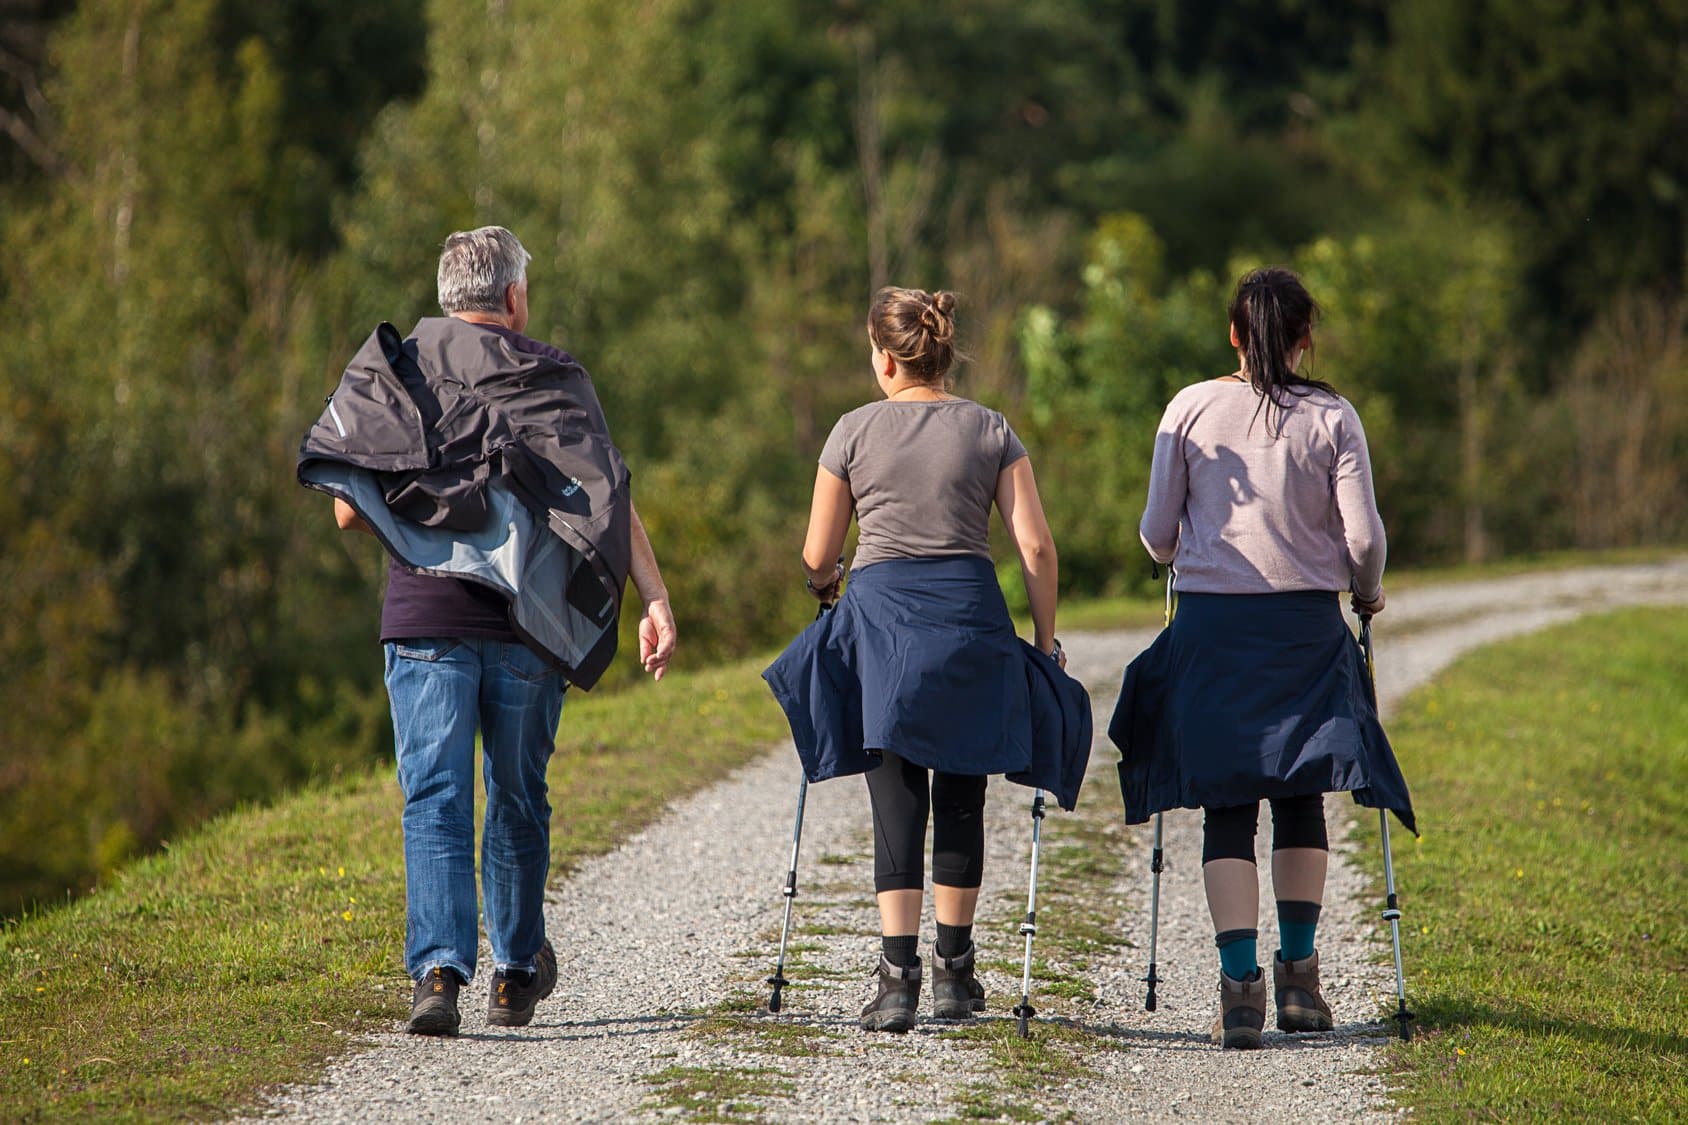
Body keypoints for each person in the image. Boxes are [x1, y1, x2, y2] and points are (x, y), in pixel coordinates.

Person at [313, 226, 676, 1035]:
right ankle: (514, 975)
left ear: (448, 296)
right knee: (517, 796)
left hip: (424, 620)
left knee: (434, 795)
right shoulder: (552, 377)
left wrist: (437, 524)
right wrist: (653, 597)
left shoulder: (397, 371)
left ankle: (438, 975)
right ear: (512, 298)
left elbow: (346, 508)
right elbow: (605, 498)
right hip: (526, 626)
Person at [1110, 266, 1415, 1049]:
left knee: (1227, 808)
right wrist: (1367, 592)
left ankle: (1239, 992)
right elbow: (1366, 539)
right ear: (1306, 336)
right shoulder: (1334, 416)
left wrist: (1179, 549)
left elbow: (1156, 532)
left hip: (1214, 629)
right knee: (1302, 796)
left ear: (1235, 336)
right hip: (1306, 630)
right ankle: (1301, 980)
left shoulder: (1189, 407)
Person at [763, 287, 1075, 1034]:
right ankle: (954, 974)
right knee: (963, 798)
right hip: (970, 622)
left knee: (897, 799)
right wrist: (1043, 639)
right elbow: (1034, 545)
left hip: (884, 629)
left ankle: (895, 980)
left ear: (885, 358)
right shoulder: (991, 428)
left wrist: (823, 582)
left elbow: (816, 551)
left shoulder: (851, 431)